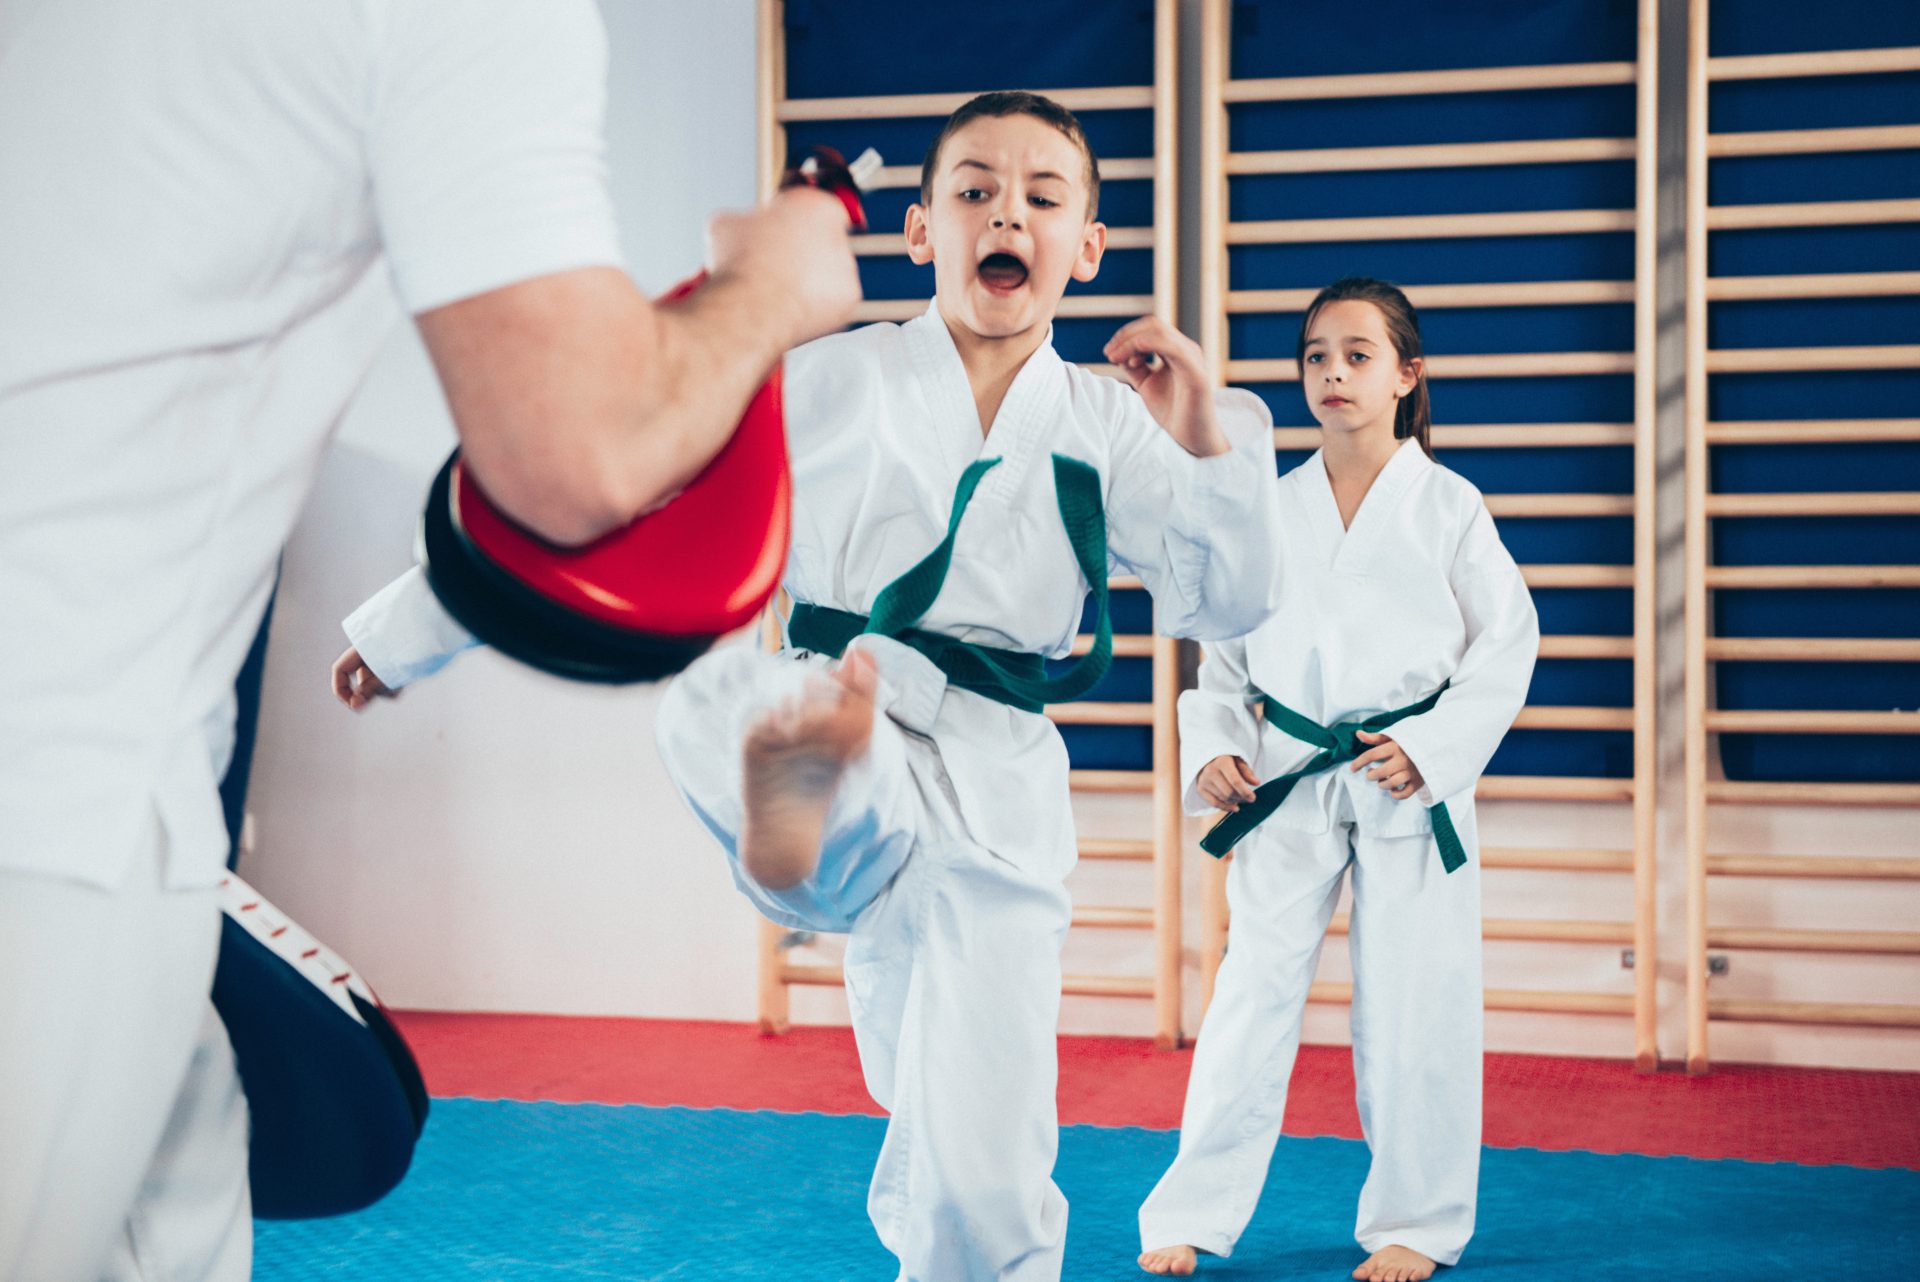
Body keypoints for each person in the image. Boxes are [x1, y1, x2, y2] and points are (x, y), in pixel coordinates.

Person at [334, 91, 1283, 1281]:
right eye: (974, 190)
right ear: (920, 232)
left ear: (1087, 246)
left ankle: (813, 835)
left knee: (979, 1152)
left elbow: (1232, 601)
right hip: (849, 699)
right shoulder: (821, 377)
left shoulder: (1116, 421)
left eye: (1043, 198)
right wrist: (416, 623)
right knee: (736, 702)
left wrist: (1208, 433)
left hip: (997, 783)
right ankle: (806, 801)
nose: (1008, 212)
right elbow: (621, 495)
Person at [0, 0, 859, 1276]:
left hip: (99, 792)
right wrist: (768, 287)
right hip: (54, 802)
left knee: (186, 1184)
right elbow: (576, 456)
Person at [1135, 278, 1539, 1282]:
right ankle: (1190, 1207)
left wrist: (1437, 748)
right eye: (1317, 355)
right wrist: (1215, 742)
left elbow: (1510, 646)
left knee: (1417, 996)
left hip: (1406, 776)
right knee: (1250, 992)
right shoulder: (1268, 506)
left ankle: (1418, 1219)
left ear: (1408, 376)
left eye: (1358, 355)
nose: (1333, 373)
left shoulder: (1448, 506)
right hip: (1290, 771)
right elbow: (1223, 652)